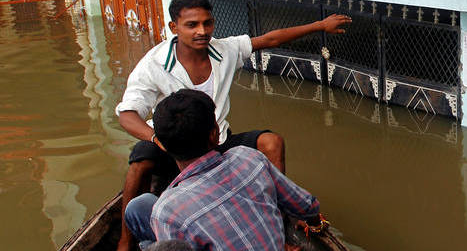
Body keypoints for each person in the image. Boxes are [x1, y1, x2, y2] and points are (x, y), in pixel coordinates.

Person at [116, 0, 349, 251]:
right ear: (174, 27)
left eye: (207, 23)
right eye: (192, 25)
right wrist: (156, 139)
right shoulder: (153, 65)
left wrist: (319, 26)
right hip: (175, 145)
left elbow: (270, 39)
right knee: (139, 161)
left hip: (217, 140)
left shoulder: (224, 49)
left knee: (272, 142)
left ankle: (278, 228)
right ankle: (125, 241)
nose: (202, 31)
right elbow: (127, 114)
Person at [125, 89, 323, 251]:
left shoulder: (167, 210)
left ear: (161, 144)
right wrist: (316, 224)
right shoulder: (248, 156)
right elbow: (308, 206)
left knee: (138, 208)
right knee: (141, 206)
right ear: (214, 134)